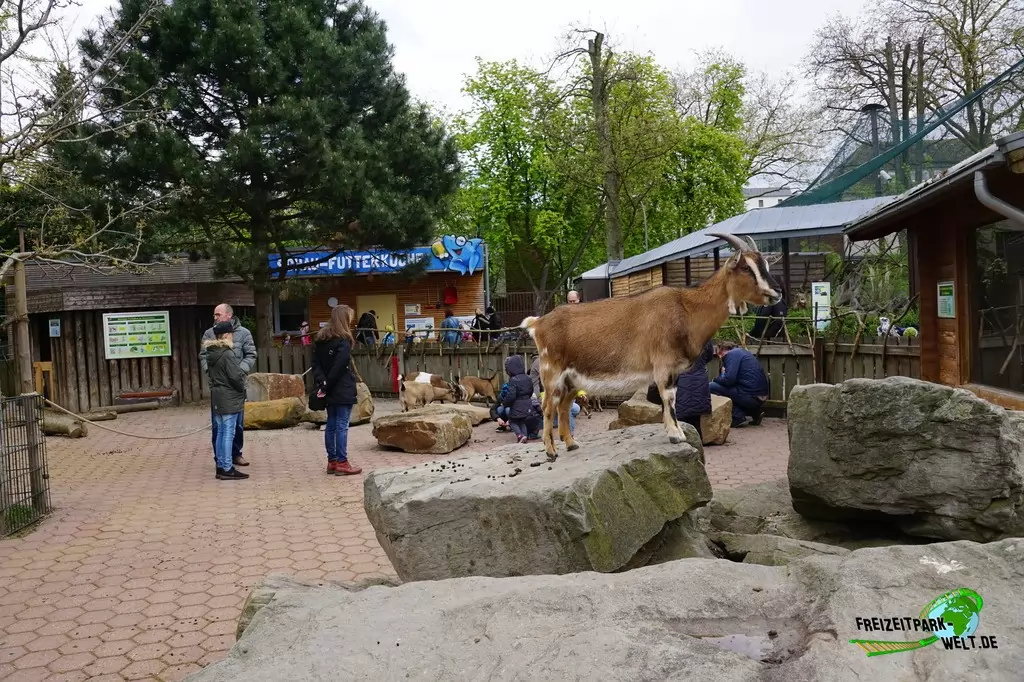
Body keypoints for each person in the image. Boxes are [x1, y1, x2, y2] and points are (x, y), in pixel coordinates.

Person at [200, 303, 256, 468]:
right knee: (218, 426)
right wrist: (212, 371)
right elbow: (203, 356)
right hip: (219, 385)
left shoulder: (244, 333)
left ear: (229, 315)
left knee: (237, 424)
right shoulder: (209, 333)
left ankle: (235, 454)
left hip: (237, 385)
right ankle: (221, 458)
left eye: (218, 314)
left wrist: (239, 371)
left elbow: (251, 354)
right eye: (214, 315)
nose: (215, 317)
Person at [313, 305, 363, 475]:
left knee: (331, 424)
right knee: (342, 425)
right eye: (350, 317)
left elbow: (316, 364)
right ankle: (342, 462)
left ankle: (332, 461)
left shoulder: (321, 339)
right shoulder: (344, 340)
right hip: (342, 388)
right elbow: (340, 365)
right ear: (344, 318)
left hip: (328, 389)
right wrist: (330, 383)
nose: (352, 320)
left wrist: (323, 383)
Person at [204, 321, 249, 480]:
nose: (232, 337)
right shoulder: (227, 354)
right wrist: (242, 388)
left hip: (218, 395)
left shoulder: (212, 352)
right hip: (229, 396)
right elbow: (235, 377)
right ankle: (228, 467)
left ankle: (221, 465)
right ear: (227, 335)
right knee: (228, 433)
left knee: (221, 432)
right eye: (231, 334)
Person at [645, 341, 715, 442]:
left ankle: (679, 445)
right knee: (695, 422)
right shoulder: (703, 338)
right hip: (698, 382)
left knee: (676, 421)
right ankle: (696, 448)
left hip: (677, 382)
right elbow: (709, 356)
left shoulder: (669, 338)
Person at [710, 341, 769, 428]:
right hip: (760, 397)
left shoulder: (731, 354)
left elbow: (729, 380)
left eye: (720, 353)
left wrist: (715, 379)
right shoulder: (743, 353)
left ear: (724, 349)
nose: (719, 356)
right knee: (733, 391)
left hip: (750, 397)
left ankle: (738, 416)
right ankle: (756, 412)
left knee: (711, 386)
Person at [530, 357, 580, 434]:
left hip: (549, 397)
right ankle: (568, 434)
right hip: (556, 396)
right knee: (572, 409)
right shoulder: (562, 359)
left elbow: (534, 386)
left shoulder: (537, 364)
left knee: (573, 408)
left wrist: (538, 400)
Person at [500, 354, 534, 444]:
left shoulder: (513, 380)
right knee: (522, 421)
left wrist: (505, 403)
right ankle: (525, 436)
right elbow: (531, 390)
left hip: (517, 404)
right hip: (527, 403)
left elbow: (511, 395)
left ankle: (520, 435)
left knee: (512, 421)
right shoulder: (528, 378)